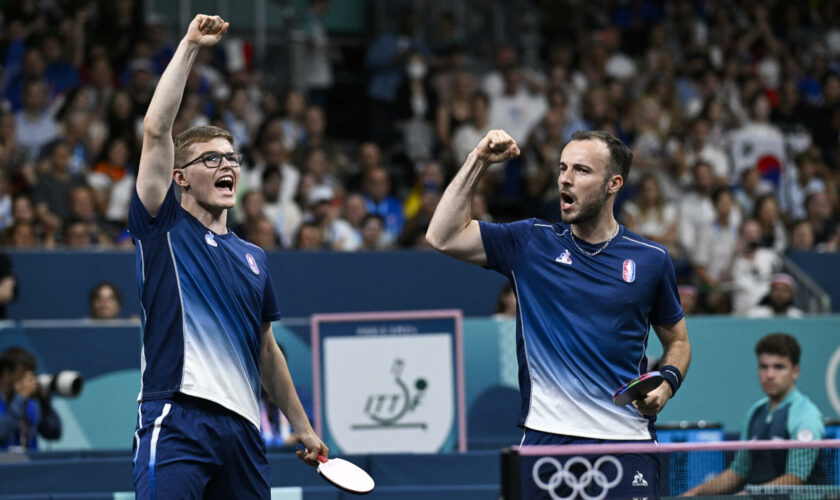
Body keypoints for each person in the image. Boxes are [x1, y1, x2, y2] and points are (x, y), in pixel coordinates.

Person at [427, 129, 690, 498]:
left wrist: (668, 382)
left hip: (624, 442)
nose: (565, 178)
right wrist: (479, 160)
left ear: (614, 183)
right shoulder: (530, 242)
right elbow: (442, 236)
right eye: (563, 168)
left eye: (581, 170)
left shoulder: (650, 259)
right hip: (546, 443)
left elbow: (677, 340)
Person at [129, 15, 326, 499]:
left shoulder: (254, 257)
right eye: (211, 159)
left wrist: (300, 425)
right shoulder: (164, 229)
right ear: (180, 177)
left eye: (233, 159)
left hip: (243, 428)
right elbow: (156, 131)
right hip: (177, 417)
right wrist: (191, 47)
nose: (227, 166)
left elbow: (266, 350)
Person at [682, 333, 824, 496]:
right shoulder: (756, 412)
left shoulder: (806, 415)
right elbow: (738, 471)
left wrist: (748, 495)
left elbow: (795, 478)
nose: (769, 375)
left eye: (779, 367)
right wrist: (693, 494)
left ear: (795, 371)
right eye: (764, 367)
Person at [0, 346, 62, 451]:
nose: (28, 380)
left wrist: (45, 404)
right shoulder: (21, 400)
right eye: (23, 374)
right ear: (6, 374)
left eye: (31, 375)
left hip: (29, 464)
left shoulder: (29, 404)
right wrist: (21, 398)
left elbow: (53, 433)